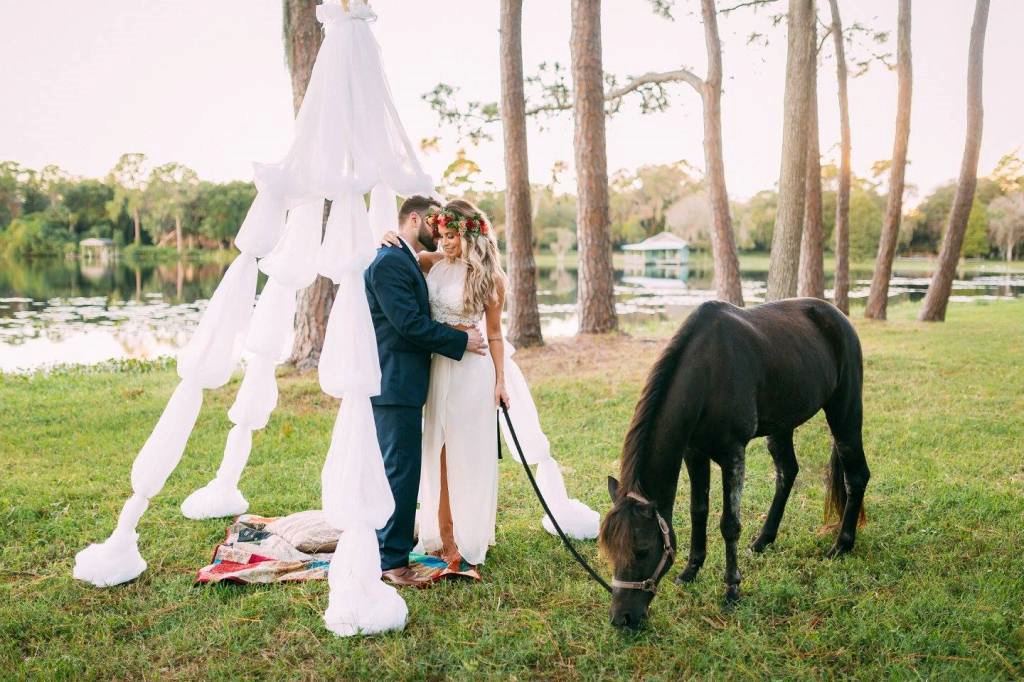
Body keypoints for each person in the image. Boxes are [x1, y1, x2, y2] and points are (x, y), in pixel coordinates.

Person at [364, 195, 488, 587]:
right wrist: (460, 340)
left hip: (409, 381)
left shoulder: (404, 257)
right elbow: (409, 325)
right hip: (394, 382)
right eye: (433, 224)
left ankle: (391, 547)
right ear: (414, 218)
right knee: (401, 472)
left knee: (402, 469)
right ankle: (393, 563)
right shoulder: (389, 262)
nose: (439, 232)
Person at [382, 199, 509, 569]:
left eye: (452, 236)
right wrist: (388, 235)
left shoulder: (491, 279)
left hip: (472, 371)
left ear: (471, 235)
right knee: (437, 450)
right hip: (438, 368)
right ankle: (442, 532)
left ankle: (465, 536)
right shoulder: (432, 264)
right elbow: (405, 256)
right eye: (441, 235)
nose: (444, 243)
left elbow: (495, 335)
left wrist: (502, 383)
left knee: (466, 451)